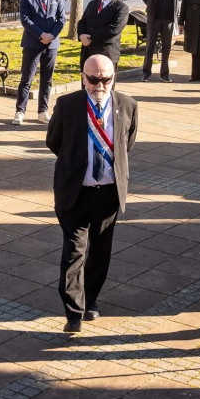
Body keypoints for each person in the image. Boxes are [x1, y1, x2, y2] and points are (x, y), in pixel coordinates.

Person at [46, 55, 138, 332]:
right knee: (74, 252)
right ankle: (73, 312)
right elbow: (54, 141)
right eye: (94, 78)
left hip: (108, 194)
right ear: (83, 77)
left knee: (100, 252)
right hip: (75, 193)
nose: (100, 84)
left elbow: (127, 143)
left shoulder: (128, 105)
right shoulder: (67, 105)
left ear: (114, 76)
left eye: (105, 79)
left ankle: (91, 300)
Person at [14, 0, 68, 124]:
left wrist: (51, 35)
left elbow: (61, 19)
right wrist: (40, 34)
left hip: (51, 44)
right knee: (26, 78)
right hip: (32, 43)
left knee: (47, 79)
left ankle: (43, 111)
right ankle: (20, 111)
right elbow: (25, 19)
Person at [140, 0, 183, 82]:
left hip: (168, 19)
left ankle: (164, 73)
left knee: (167, 47)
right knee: (150, 46)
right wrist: (151, 4)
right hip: (154, 18)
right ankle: (146, 73)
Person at [78, 0, 129, 69]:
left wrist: (90, 38)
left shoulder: (121, 8)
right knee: (87, 83)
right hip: (88, 54)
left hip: (106, 54)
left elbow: (113, 30)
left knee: (105, 83)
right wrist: (81, 35)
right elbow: (82, 22)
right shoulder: (92, 4)